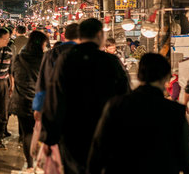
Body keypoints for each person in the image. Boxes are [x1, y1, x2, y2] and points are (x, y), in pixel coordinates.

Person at [42, 18, 130, 173]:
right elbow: (125, 98)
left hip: (71, 132)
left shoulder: (66, 59)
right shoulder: (111, 61)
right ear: (99, 35)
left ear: (80, 36)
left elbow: (55, 98)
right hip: (104, 131)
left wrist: (50, 136)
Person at [88, 53, 189, 174]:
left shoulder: (116, 105)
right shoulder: (175, 112)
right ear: (166, 77)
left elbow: (98, 148)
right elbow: (188, 159)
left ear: (139, 76)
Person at [10, 31, 49, 171]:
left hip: (22, 100)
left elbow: (14, 75)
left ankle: (30, 165)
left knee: (27, 133)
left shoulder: (19, 58)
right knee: (41, 132)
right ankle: (40, 163)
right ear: (42, 44)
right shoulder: (45, 59)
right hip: (40, 102)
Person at [33, 23, 79, 122]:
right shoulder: (87, 53)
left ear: (65, 35)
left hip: (55, 104)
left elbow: (43, 81)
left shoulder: (51, 54)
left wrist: (38, 107)